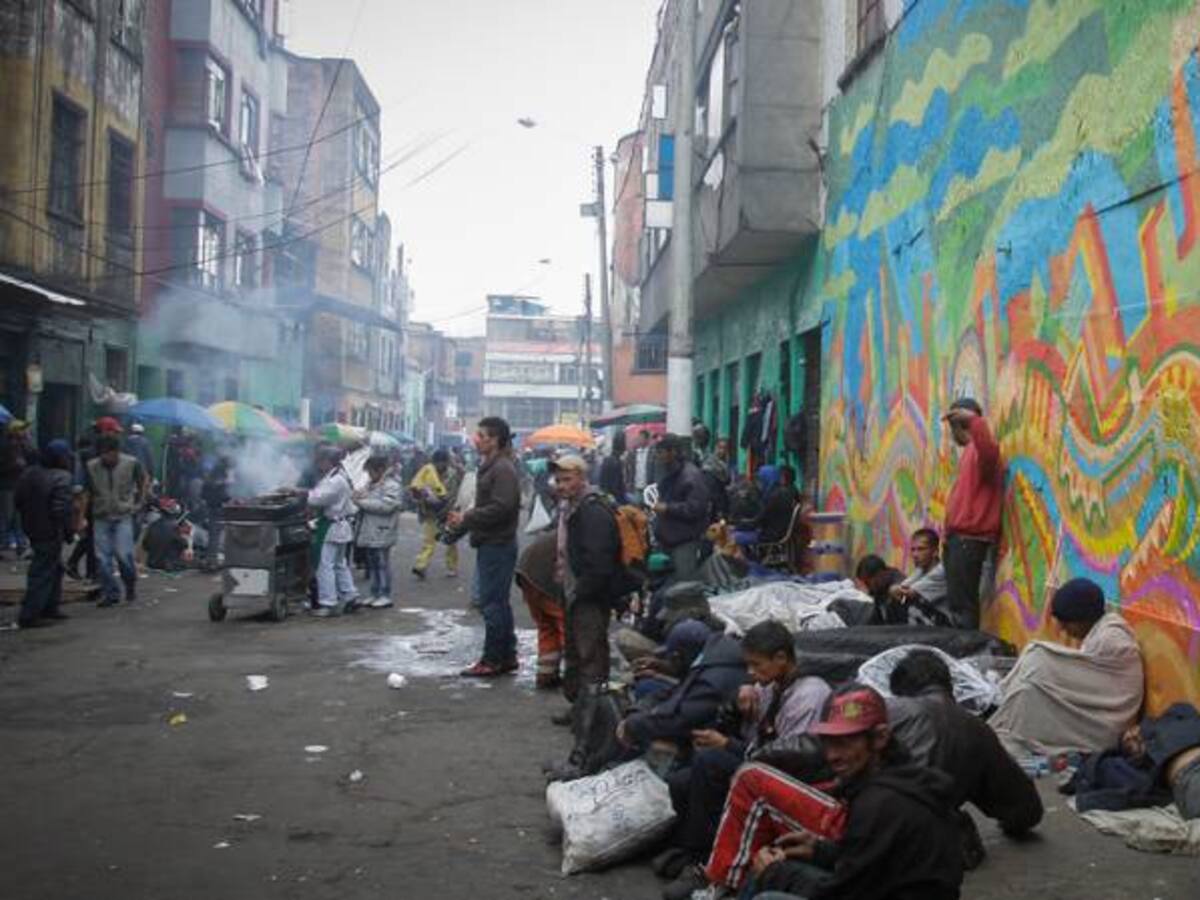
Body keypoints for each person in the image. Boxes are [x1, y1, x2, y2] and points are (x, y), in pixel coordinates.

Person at [702, 685, 963, 900]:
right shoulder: (903, 777)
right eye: (828, 743)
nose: (832, 755)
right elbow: (873, 860)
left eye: (845, 743)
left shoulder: (879, 802)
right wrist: (820, 850)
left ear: (880, 738)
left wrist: (775, 873)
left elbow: (845, 892)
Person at [659, 621, 831, 898]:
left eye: (756, 665)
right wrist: (739, 697)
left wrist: (727, 744)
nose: (751, 673)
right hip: (758, 759)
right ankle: (694, 851)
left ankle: (709, 868)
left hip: (789, 778)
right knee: (681, 782)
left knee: (711, 764)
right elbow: (754, 728)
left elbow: (785, 761)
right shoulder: (769, 684)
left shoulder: (809, 696)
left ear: (781, 658)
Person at [886, 649, 1043, 867]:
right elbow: (1025, 808)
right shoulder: (978, 730)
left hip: (884, 832)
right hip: (918, 837)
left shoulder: (891, 710)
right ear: (949, 685)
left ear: (902, 690)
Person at [989, 577, 1144, 758]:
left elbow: (1098, 693)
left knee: (1036, 661)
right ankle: (1004, 709)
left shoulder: (1113, 642)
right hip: (1091, 711)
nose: (1063, 630)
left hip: (1104, 724)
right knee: (1031, 681)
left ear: (1084, 618)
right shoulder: (1100, 633)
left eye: (1066, 622)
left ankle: (1005, 726)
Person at [447, 416, 521, 677]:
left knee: (492, 605)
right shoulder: (492, 466)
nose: (476, 440)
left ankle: (492, 660)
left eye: (482, 436)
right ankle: (507, 656)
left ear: (495, 440)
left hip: (498, 544)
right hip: (491, 541)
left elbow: (503, 507)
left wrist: (468, 517)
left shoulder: (502, 468)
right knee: (498, 603)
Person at [551, 454, 622, 703]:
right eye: (558, 480)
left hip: (589, 594)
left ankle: (591, 717)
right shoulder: (570, 507)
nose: (561, 485)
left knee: (589, 653)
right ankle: (579, 708)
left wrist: (583, 591)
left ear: (582, 478)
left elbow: (599, 561)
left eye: (567, 479)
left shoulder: (592, 510)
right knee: (574, 651)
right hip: (574, 590)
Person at [1066, 703, 1200, 819]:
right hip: (1191, 773)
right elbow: (1098, 771)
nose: (1132, 736)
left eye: (1132, 732)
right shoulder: (1141, 773)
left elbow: (1183, 709)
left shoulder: (1179, 722)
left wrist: (1148, 732)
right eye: (1128, 744)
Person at [941, 397, 1003, 629]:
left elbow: (988, 451)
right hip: (960, 540)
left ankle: (965, 651)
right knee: (957, 602)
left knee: (963, 606)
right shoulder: (969, 452)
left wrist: (974, 421)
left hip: (970, 540)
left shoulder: (981, 450)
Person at [13, 440, 75, 628]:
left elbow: (18, 500)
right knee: (42, 571)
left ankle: (50, 607)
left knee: (54, 568)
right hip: (50, 530)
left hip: (31, 527)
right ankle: (30, 614)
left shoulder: (29, 473)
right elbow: (60, 510)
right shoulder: (62, 477)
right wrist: (68, 531)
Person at [86, 434, 147, 607]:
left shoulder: (131, 463)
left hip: (123, 515)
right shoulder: (92, 467)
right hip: (101, 516)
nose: (106, 457)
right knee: (102, 559)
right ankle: (111, 592)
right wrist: (81, 518)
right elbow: (86, 492)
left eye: (109, 453)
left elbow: (144, 479)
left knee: (124, 554)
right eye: (103, 453)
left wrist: (140, 501)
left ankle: (130, 586)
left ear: (116, 452)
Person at [305, 446, 359, 617]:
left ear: (328, 461)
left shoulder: (336, 480)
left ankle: (328, 602)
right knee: (339, 564)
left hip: (332, 526)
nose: (319, 465)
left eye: (321, 461)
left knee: (325, 565)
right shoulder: (337, 476)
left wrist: (302, 494)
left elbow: (318, 499)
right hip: (339, 526)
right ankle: (350, 595)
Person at [651, 433, 710, 582]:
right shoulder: (669, 472)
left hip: (685, 542)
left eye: (661, 452)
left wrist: (667, 508)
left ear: (673, 452)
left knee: (685, 588)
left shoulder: (691, 475)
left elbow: (696, 508)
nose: (658, 456)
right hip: (668, 540)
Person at [516, 532, 566, 689]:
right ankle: (577, 678)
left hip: (528, 573)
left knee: (547, 625)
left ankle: (546, 674)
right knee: (569, 628)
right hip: (545, 576)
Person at [354, 455, 403, 609]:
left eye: (371, 472)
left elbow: (386, 506)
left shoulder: (391, 485)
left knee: (381, 563)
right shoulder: (372, 484)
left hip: (382, 530)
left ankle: (384, 594)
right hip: (371, 529)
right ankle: (374, 593)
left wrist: (361, 502)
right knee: (373, 563)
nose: (369, 475)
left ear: (380, 470)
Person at [409, 448, 459, 580]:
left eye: (442, 463)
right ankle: (421, 566)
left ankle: (452, 567)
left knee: (450, 541)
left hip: (448, 512)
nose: (439, 466)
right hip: (431, 512)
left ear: (446, 463)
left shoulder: (452, 474)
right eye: (437, 463)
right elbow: (417, 490)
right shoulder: (427, 472)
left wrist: (443, 506)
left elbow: (452, 495)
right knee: (428, 541)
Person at [886, 528, 949, 626]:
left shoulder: (940, 572)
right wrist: (894, 589)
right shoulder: (921, 570)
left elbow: (908, 592)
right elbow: (899, 589)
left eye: (921, 549)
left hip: (945, 625)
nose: (915, 555)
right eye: (913, 550)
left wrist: (896, 589)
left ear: (935, 552)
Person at [0, 420, 36, 559]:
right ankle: (3, 546)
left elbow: (33, 455)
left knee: (19, 517)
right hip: (7, 486)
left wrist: (28, 441)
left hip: (20, 485)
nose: (24, 432)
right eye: (21, 429)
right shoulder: (5, 446)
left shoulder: (23, 445)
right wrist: (15, 465)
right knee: (6, 517)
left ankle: (22, 546)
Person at [853, 554, 905, 625]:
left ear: (880, 575)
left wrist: (894, 588)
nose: (867, 586)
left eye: (867, 582)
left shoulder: (896, 582)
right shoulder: (877, 590)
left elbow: (899, 583)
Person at [694, 423, 731, 522]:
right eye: (698, 436)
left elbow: (726, 479)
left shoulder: (713, 460)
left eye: (702, 436)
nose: (700, 439)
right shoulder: (694, 455)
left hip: (714, 500)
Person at [755, 465, 799, 544]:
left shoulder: (776, 495)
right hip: (784, 531)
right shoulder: (794, 492)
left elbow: (762, 517)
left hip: (772, 533)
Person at [201, 457, 231, 571]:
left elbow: (203, 494)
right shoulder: (221, 476)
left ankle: (211, 560)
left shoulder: (211, 476)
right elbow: (223, 495)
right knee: (215, 537)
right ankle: (212, 562)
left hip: (212, 508)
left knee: (213, 536)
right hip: (218, 508)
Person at [598, 430, 627, 502]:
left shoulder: (606, 459)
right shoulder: (617, 462)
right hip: (614, 498)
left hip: (605, 494)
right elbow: (616, 486)